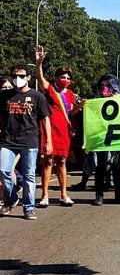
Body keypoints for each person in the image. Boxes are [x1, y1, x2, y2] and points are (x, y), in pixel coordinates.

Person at [0, 63, 52, 220]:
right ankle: (11, 198)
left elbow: (45, 119)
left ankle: (28, 207)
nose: (18, 79)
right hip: (8, 140)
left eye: (21, 76)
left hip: (29, 141)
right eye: (15, 76)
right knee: (3, 170)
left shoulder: (37, 97)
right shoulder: (4, 96)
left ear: (28, 77)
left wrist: (49, 141)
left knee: (29, 175)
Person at [34, 45, 80, 208]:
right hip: (49, 129)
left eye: (68, 78)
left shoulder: (70, 93)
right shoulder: (50, 89)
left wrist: (80, 106)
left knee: (62, 161)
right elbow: (40, 78)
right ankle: (45, 195)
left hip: (64, 131)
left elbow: (70, 113)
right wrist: (39, 63)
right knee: (48, 161)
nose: (65, 80)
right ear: (56, 77)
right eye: (63, 76)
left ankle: (63, 194)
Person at [92, 74, 120, 206]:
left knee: (117, 167)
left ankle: (118, 194)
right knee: (100, 167)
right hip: (102, 139)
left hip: (118, 138)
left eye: (107, 85)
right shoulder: (96, 102)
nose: (104, 88)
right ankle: (99, 195)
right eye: (102, 85)